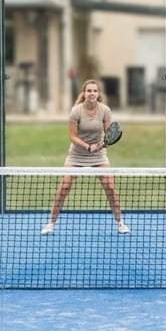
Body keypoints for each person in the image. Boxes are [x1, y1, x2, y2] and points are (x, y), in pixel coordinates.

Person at [41, 78, 129, 234]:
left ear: (98, 93)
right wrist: (88, 147)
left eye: (95, 91)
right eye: (89, 90)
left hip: (99, 155)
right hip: (76, 154)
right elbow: (72, 136)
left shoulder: (105, 110)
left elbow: (110, 135)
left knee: (110, 187)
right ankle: (51, 223)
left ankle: (120, 223)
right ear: (84, 93)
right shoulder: (76, 111)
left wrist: (100, 145)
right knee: (64, 186)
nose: (92, 93)